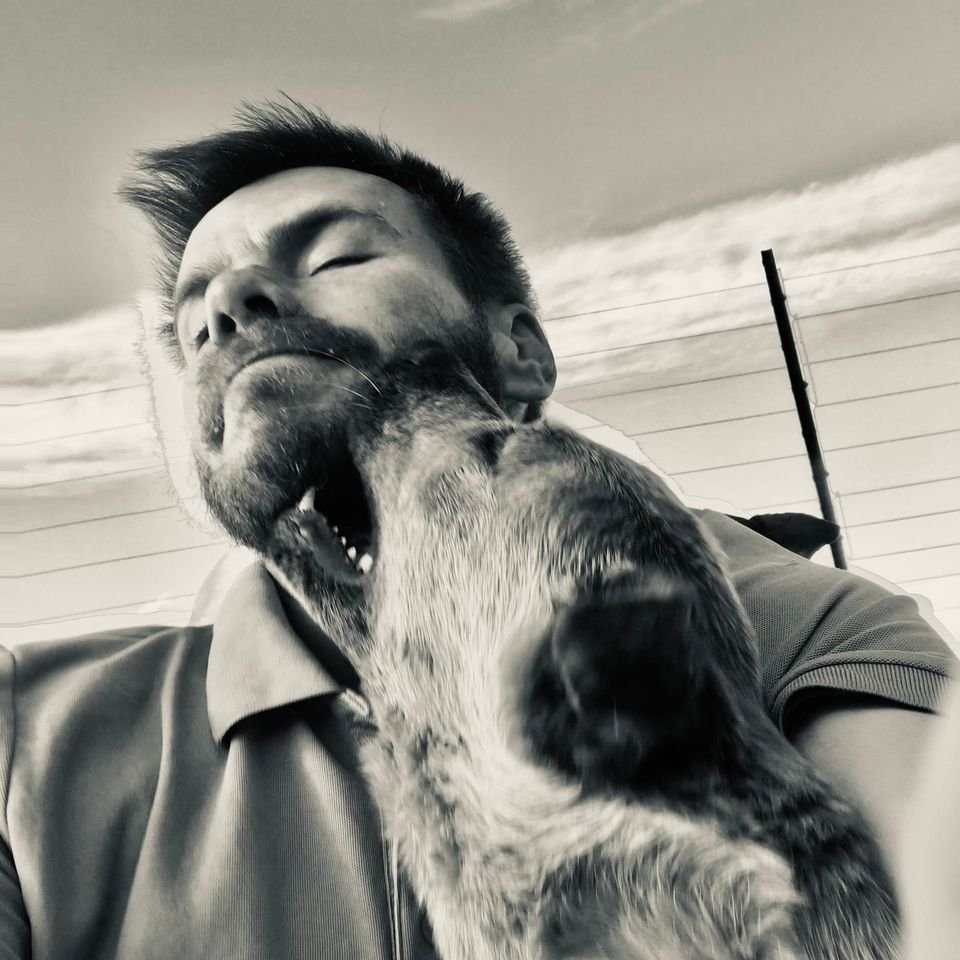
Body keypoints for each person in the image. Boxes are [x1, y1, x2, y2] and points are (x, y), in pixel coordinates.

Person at [1, 99, 954, 959]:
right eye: (192, 322)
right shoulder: (27, 738)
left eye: (335, 258)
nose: (228, 305)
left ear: (519, 348)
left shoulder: (804, 628)